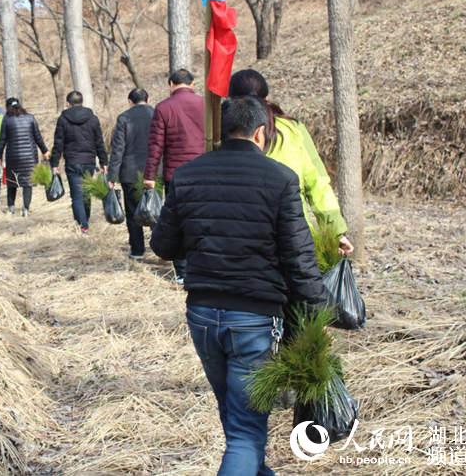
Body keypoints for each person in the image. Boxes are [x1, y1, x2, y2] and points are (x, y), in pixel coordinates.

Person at [150, 96, 329, 476]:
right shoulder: (280, 179)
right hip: (254, 319)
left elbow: (163, 246)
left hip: (202, 316)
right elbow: (299, 258)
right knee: (245, 432)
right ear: (261, 132)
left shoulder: (187, 175)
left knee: (237, 421)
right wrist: (316, 315)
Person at [229, 69, 354, 256]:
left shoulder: (226, 132)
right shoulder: (292, 129)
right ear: (266, 95)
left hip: (240, 237)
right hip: (294, 235)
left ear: (232, 98)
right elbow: (317, 183)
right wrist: (336, 230)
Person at [143, 68, 204, 284]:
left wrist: (150, 175)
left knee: (178, 220)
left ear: (170, 84)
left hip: (176, 174)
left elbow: (155, 146)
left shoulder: (163, 108)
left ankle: (182, 271)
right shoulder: (207, 105)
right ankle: (203, 265)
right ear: (193, 84)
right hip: (205, 171)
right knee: (204, 218)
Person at [50, 91, 108, 233]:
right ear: (82, 102)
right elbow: (99, 142)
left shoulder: (63, 119)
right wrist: (103, 162)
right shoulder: (93, 119)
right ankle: (85, 221)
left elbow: (58, 143)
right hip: (89, 162)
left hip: (72, 162)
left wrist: (54, 164)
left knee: (76, 195)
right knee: (86, 193)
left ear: (68, 104)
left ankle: (83, 225)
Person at [107, 88, 154, 259]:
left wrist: (112, 176)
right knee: (155, 209)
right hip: (155, 171)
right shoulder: (156, 114)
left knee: (134, 213)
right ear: (147, 99)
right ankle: (160, 246)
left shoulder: (124, 118)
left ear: (130, 101)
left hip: (130, 172)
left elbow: (117, 150)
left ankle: (137, 250)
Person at [0, 97, 50, 217]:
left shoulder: (7, 120)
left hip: (13, 156)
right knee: (28, 182)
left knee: (12, 181)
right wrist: (45, 151)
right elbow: (38, 137)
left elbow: (2, 140)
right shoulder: (30, 118)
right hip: (30, 156)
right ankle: (25, 209)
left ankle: (11, 207)